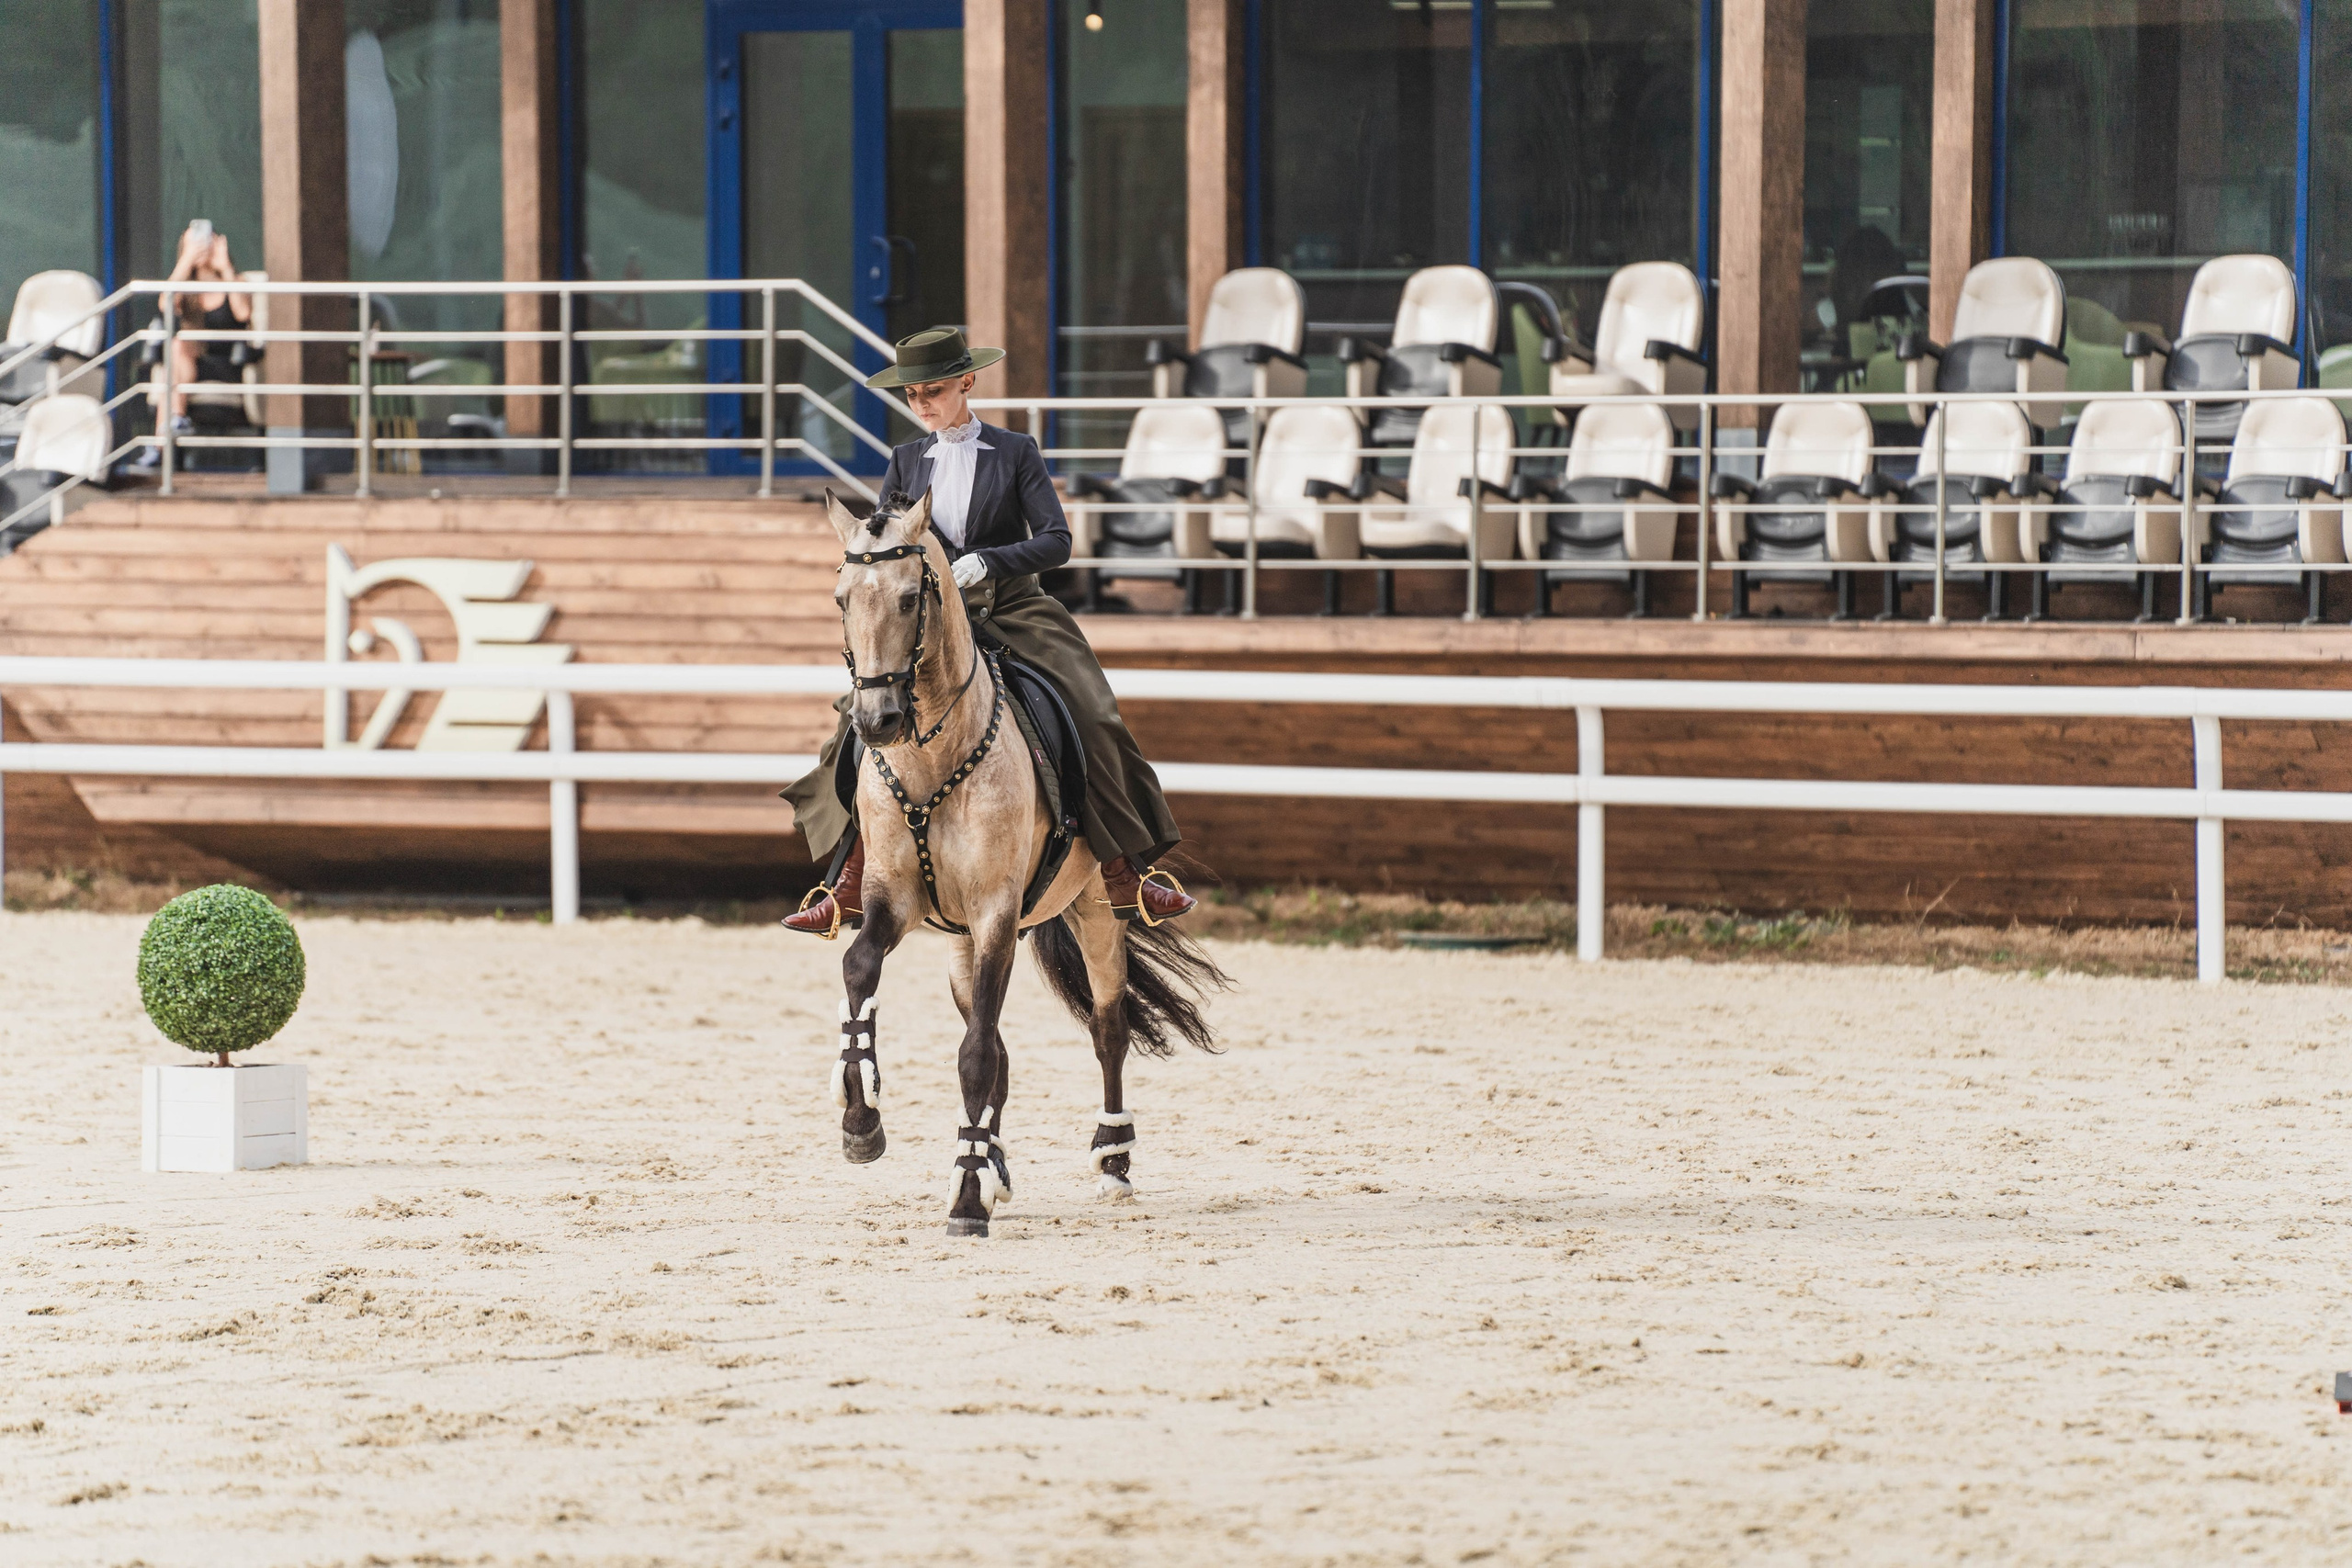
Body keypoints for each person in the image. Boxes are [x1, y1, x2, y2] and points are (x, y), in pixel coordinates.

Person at [782, 326, 1195, 933]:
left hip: (1011, 606)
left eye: (935, 391)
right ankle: (848, 877)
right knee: (855, 719)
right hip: (931, 618)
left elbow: (1058, 540)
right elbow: (888, 543)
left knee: (1093, 711)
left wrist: (991, 560)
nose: (923, 404)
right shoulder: (905, 459)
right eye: (913, 395)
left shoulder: (1015, 451)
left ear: (967, 382)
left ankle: (1123, 870)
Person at [133, 221, 253, 466]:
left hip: (224, 362)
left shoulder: (236, 281)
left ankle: (160, 446)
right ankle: (174, 422)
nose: (200, 247)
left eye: (204, 241)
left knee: (175, 354)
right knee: (177, 350)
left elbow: (243, 313)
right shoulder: (185, 288)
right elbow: (165, 305)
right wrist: (186, 261)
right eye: (193, 242)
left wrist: (225, 267)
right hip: (188, 362)